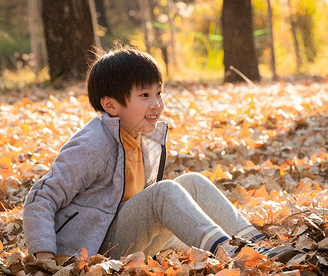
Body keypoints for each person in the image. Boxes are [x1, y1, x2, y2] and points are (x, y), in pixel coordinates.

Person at [23, 47, 295, 262]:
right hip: (90, 250)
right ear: (111, 105)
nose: (157, 104)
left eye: (158, 93)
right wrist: (46, 257)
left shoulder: (141, 136)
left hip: (128, 239)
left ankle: (259, 245)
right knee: (164, 192)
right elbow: (41, 198)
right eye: (144, 95)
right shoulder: (92, 145)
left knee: (193, 183)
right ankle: (231, 253)